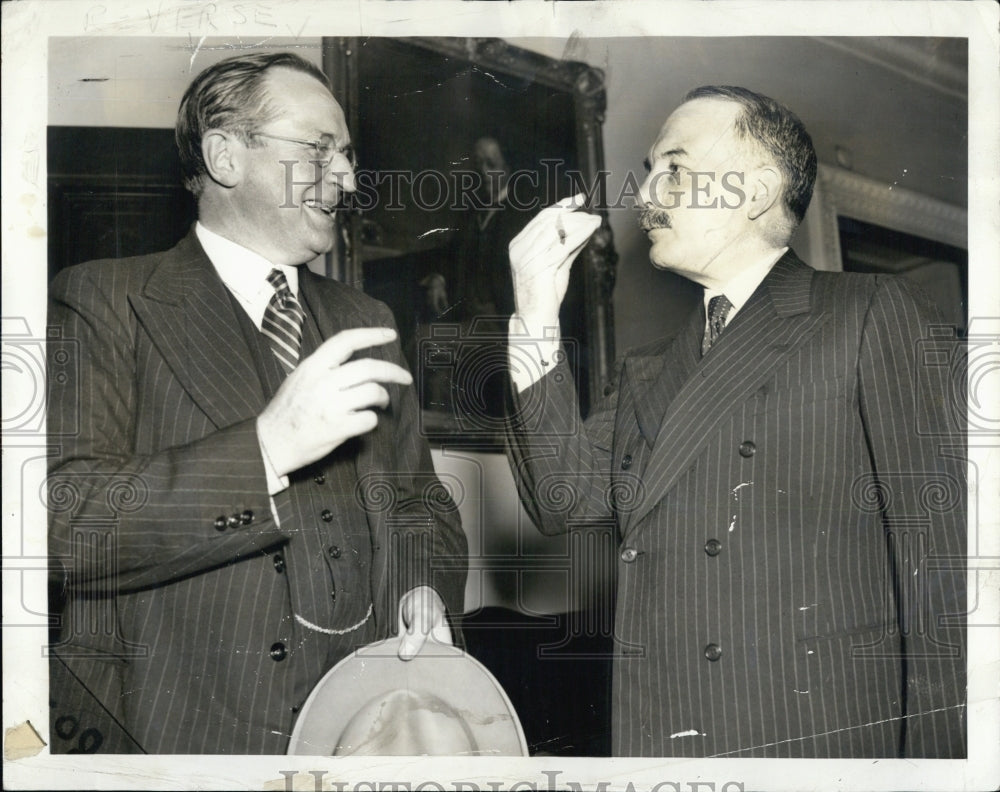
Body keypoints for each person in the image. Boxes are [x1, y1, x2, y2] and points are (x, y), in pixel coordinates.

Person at [504, 85, 965, 758]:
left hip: (812, 742)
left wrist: (943, 768)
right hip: (664, 738)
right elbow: (563, 498)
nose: (644, 194)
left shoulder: (870, 311)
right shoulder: (649, 367)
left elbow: (947, 571)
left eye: (675, 167)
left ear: (754, 191)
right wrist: (537, 318)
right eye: (650, 168)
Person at [46, 51, 467, 754]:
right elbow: (66, 524)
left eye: (349, 155)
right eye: (319, 150)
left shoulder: (368, 318)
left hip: (363, 734)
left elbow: (422, 504)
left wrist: (420, 586)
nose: (348, 178)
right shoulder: (103, 300)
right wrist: (266, 450)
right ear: (224, 156)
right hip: (178, 734)